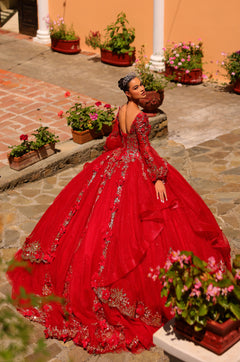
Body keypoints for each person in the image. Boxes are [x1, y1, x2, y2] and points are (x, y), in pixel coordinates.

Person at [7, 73, 231, 354]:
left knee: (96, 222)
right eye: (137, 87)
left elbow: (113, 140)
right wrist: (158, 177)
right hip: (136, 166)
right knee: (148, 229)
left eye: (142, 86)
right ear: (127, 92)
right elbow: (146, 151)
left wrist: (117, 159)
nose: (143, 89)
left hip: (116, 163)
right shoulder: (138, 117)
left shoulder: (121, 111)